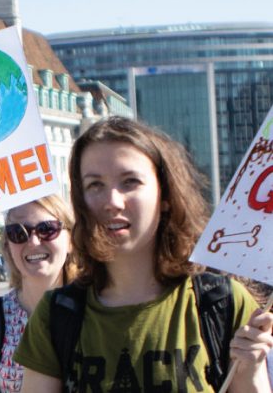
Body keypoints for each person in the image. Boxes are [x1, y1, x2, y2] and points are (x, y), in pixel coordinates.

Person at [15, 117, 273, 391]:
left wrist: (252, 369)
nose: (112, 201)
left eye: (130, 182)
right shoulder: (56, 315)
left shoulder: (223, 304)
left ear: (165, 197)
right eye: (95, 185)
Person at [0, 195, 78, 393]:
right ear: (7, 247)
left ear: (70, 241)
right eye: (18, 233)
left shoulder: (96, 306)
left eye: (47, 229)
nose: (33, 242)